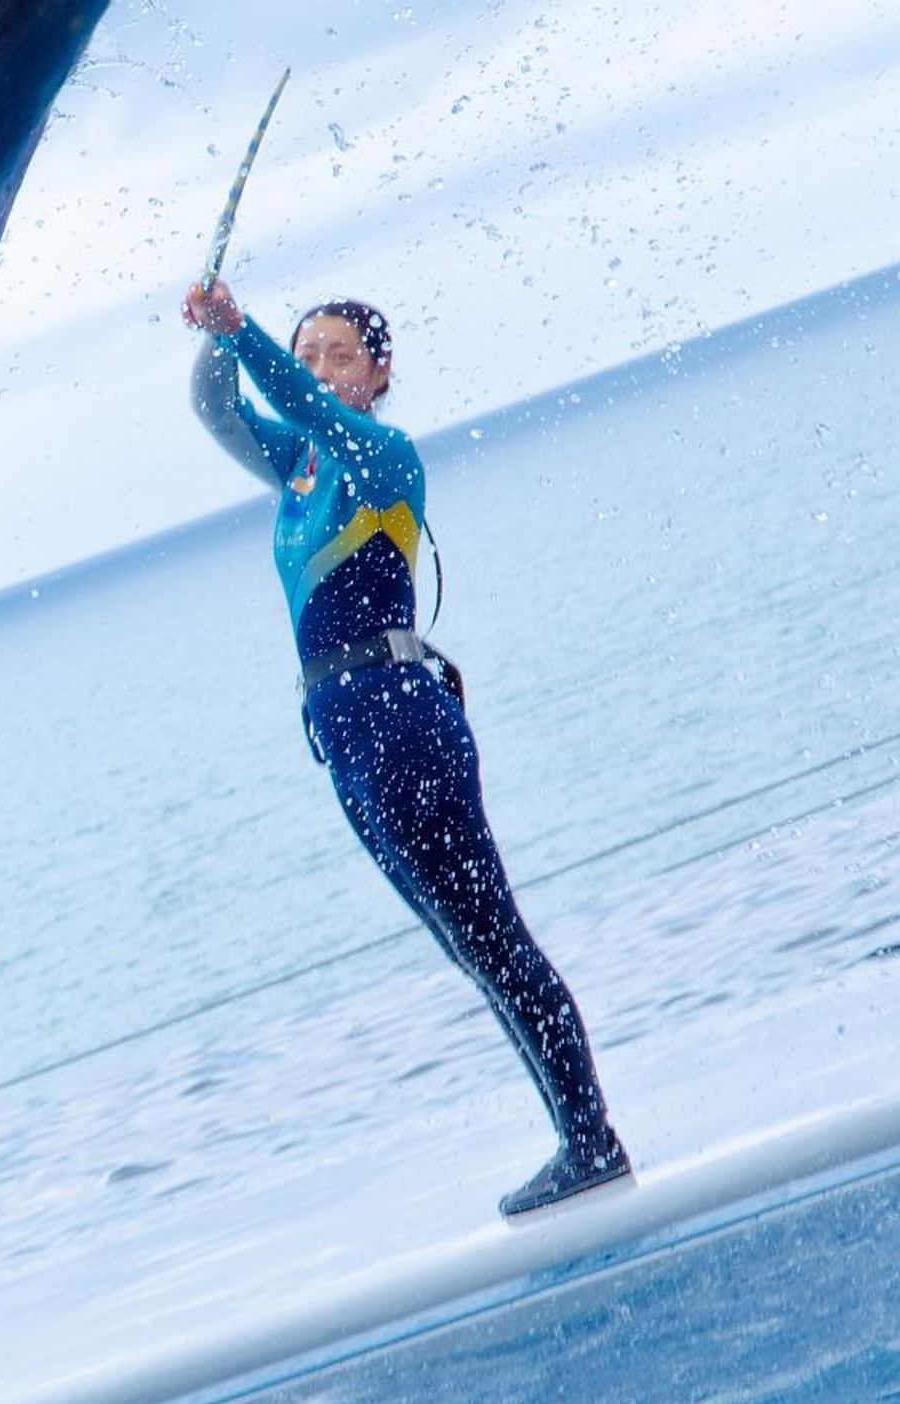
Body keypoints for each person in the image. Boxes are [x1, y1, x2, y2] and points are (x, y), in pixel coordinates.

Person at [182, 279, 630, 1217]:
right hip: (348, 740)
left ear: (380, 374)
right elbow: (215, 409)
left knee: (494, 937)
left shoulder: (383, 456)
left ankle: (591, 1139)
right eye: (307, 354)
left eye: (338, 354)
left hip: (401, 722)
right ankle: (578, 1137)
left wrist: (243, 329)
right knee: (469, 949)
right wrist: (215, 338)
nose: (317, 370)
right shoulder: (300, 471)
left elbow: (299, 402)